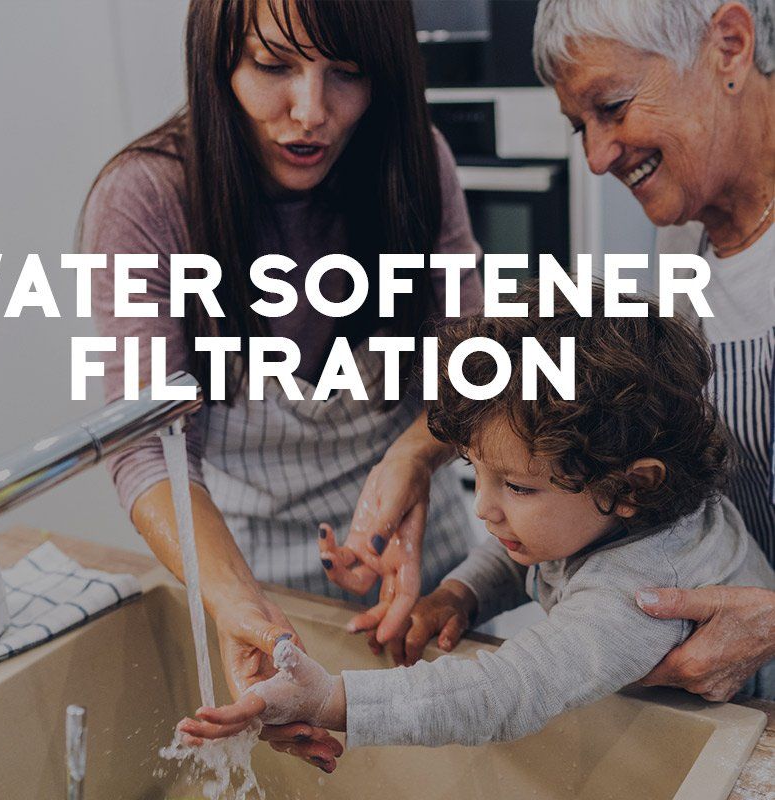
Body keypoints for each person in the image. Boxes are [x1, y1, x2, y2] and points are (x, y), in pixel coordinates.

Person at [81, 0, 482, 772]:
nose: (311, 112)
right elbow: (146, 453)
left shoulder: (414, 160)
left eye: (348, 74)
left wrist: (414, 457)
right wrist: (243, 610)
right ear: (216, 60)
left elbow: (474, 365)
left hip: (418, 569)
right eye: (273, 67)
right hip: (249, 569)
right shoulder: (148, 199)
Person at [176, 284, 775, 751]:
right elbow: (543, 553)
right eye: (475, 470)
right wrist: (462, 593)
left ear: (632, 486)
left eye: (515, 485)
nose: (484, 507)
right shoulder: (611, 508)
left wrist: (332, 700)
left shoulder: (643, 594)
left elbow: (506, 693)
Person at [527, 0, 775, 702]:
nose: (598, 157)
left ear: (728, 46)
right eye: (581, 126)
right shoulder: (682, 232)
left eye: (612, 107)